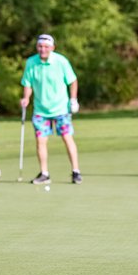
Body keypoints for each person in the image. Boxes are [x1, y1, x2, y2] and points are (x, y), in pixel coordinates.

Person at [20, 34, 82, 184]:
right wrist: (26, 97)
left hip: (61, 109)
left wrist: (73, 100)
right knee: (40, 141)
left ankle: (76, 171)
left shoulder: (61, 61)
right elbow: (28, 83)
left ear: (52, 48)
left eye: (46, 47)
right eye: (40, 46)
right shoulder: (31, 62)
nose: (43, 49)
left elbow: (73, 81)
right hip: (40, 110)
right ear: (37, 47)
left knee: (67, 138)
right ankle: (44, 173)